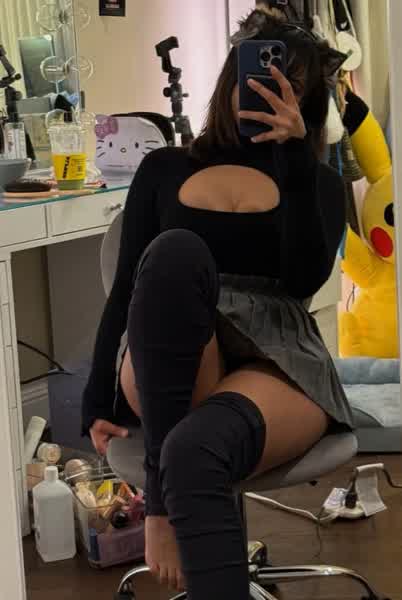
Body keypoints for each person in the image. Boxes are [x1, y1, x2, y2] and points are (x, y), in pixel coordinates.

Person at [82, 9, 353, 600]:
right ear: (232, 76)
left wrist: (294, 162)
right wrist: (95, 398)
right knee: (175, 254)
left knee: (196, 452)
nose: (266, 89)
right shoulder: (163, 169)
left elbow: (302, 281)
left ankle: (169, 488)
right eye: (256, 73)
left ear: (306, 100)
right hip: (173, 341)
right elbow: (127, 286)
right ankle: (163, 496)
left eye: (288, 83)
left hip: (275, 353)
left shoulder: (318, 183)